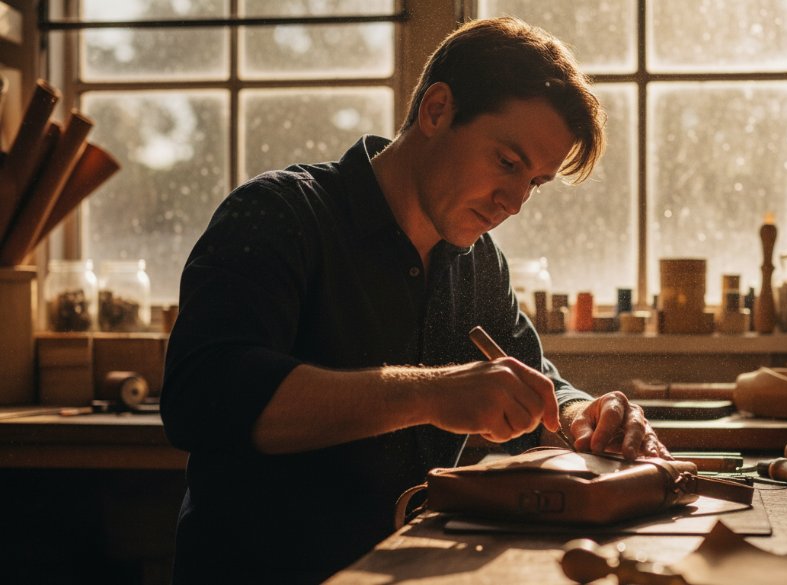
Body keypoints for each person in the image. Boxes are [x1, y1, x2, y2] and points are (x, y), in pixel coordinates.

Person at [160, 16, 672, 584]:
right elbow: (202, 399)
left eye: (534, 183)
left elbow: (531, 375)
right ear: (436, 110)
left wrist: (583, 414)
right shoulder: (280, 214)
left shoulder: (478, 261)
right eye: (507, 162)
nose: (514, 202)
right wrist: (433, 394)